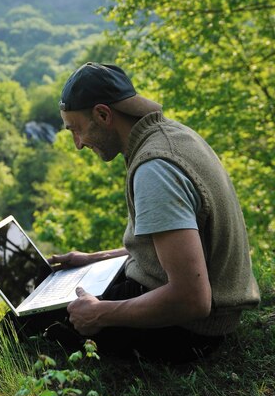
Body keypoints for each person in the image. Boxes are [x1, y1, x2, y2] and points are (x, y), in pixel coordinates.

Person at [36, 61, 259, 364]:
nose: (78, 144)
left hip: (188, 330)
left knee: (28, 327)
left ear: (103, 115)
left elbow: (192, 299)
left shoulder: (155, 171)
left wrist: (101, 314)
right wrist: (94, 259)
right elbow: (173, 248)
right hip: (201, 310)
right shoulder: (174, 135)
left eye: (77, 129)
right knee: (51, 294)